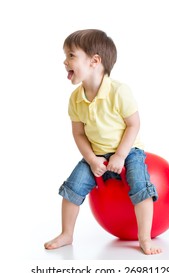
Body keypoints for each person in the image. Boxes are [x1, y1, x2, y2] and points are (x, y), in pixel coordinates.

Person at [44, 29, 162, 255]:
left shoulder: (119, 91)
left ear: (94, 61)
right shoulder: (75, 98)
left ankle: (144, 238)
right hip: (96, 155)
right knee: (72, 188)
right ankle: (67, 234)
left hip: (129, 151)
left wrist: (120, 155)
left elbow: (133, 124)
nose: (64, 61)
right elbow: (78, 133)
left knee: (140, 186)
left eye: (71, 55)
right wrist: (91, 159)